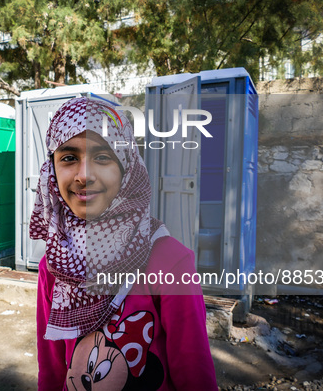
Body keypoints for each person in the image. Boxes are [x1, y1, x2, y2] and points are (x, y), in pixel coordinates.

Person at [31, 96, 217, 390]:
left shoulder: (169, 261)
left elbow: (194, 371)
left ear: (127, 168)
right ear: (51, 171)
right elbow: (52, 366)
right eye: (68, 158)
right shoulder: (54, 265)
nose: (84, 175)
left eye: (103, 157)